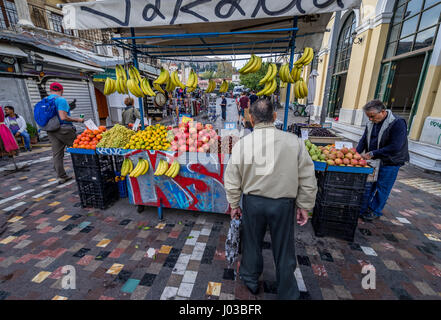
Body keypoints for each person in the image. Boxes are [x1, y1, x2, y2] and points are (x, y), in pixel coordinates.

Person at [224, 98, 317, 300]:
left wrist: (233, 204)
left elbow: (232, 178)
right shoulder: (295, 142)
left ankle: (250, 280)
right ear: (274, 117)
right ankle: (288, 293)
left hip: (253, 203)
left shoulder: (243, 144)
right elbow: (308, 177)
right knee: (284, 249)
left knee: (251, 244)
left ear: (251, 119)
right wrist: (304, 205)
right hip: (283, 204)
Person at [356, 99, 409, 222]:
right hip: (375, 160)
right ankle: (365, 207)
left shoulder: (397, 123)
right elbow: (364, 140)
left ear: (383, 112)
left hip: (390, 161)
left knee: (382, 187)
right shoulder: (371, 123)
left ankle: (375, 210)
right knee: (370, 185)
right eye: (368, 117)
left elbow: (396, 146)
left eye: (372, 116)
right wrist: (355, 153)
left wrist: (374, 153)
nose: (370, 119)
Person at [46, 82, 84, 184]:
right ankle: (84, 172)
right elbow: (63, 117)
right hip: (64, 129)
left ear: (50, 90)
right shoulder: (61, 100)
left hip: (51, 130)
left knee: (57, 154)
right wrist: (78, 120)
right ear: (62, 90)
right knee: (79, 148)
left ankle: (61, 176)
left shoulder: (46, 100)